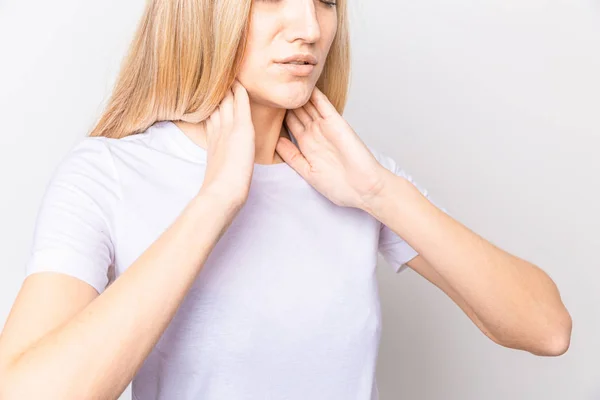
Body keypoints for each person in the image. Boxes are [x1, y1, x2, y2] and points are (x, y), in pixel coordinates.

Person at [0, 0, 572, 399]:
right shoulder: (111, 175)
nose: (310, 28)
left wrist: (379, 193)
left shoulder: (349, 175)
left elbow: (547, 330)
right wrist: (216, 200)